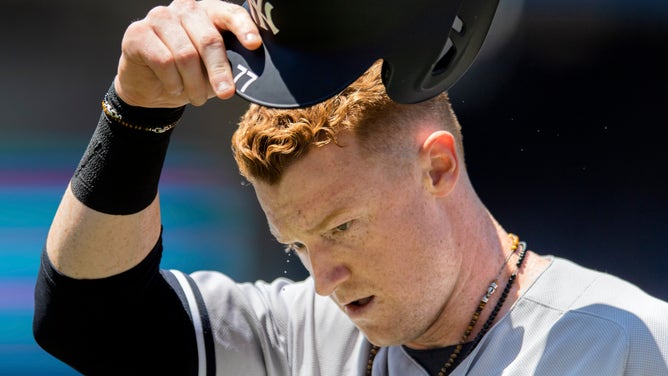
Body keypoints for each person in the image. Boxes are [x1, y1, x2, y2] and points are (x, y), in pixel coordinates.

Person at [33, 1, 668, 375]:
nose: (323, 278)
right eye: (299, 245)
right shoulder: (301, 332)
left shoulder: (626, 347)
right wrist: (138, 109)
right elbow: (86, 321)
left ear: (438, 168)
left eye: (340, 227)